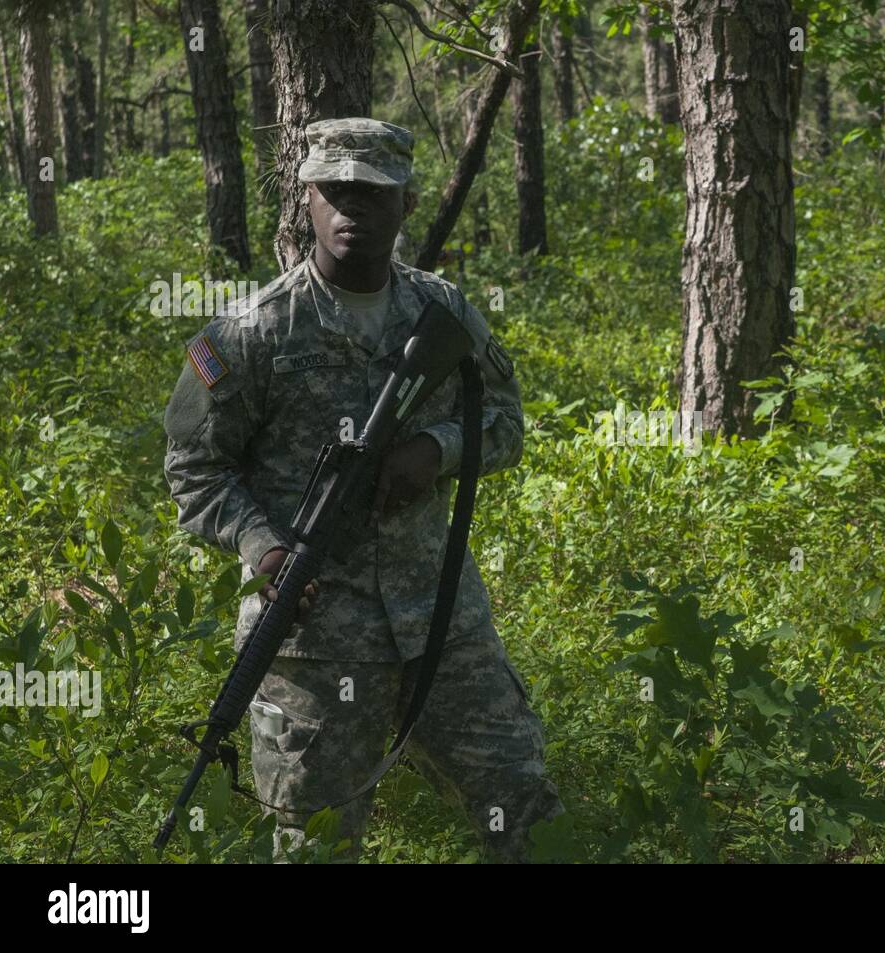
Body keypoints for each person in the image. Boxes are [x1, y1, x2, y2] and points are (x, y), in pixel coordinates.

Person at [162, 117, 562, 862]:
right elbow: (192, 467)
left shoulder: (443, 317)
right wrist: (263, 544)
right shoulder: (251, 333)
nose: (352, 210)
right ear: (306, 201)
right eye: (335, 191)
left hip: (439, 621)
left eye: (372, 193)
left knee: (525, 805)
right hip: (313, 641)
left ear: (406, 204)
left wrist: (434, 451)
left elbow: (506, 424)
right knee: (315, 845)